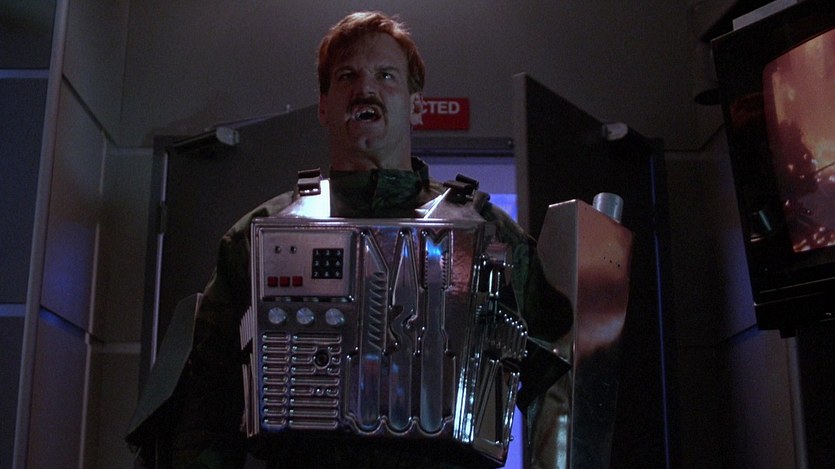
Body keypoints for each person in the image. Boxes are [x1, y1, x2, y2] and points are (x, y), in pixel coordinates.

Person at [127, 11, 569, 469]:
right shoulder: (259, 237)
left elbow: (556, 377)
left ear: (416, 105)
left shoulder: (490, 235)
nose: (366, 89)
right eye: (347, 76)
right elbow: (205, 405)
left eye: (386, 75)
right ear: (324, 106)